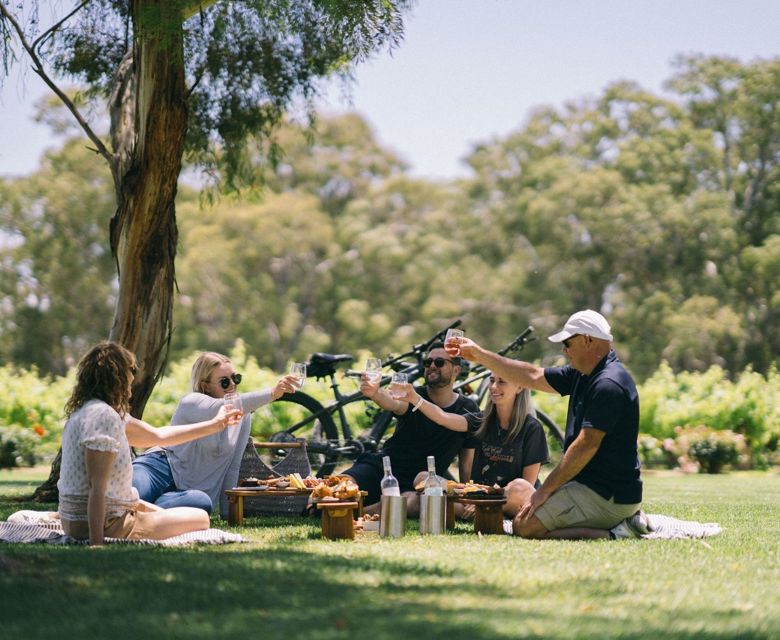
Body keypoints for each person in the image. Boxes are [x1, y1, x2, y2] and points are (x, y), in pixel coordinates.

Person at [456, 310, 649, 540]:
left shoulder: (609, 384)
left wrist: (544, 491)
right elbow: (532, 375)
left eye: (567, 343)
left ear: (588, 340)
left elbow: (585, 446)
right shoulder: (584, 373)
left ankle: (615, 532)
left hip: (607, 495)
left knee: (524, 526)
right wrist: (480, 356)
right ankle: (624, 521)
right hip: (593, 488)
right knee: (524, 514)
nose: (564, 350)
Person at [57, 342, 242, 545]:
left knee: (177, 510)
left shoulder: (88, 412)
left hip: (80, 519)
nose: (132, 378)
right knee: (200, 518)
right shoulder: (104, 416)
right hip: (109, 523)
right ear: (116, 376)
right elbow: (96, 486)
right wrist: (97, 543)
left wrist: (215, 425)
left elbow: (159, 436)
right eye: (131, 370)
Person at [132, 352, 299, 519]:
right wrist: (273, 393)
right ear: (205, 386)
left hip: (185, 492)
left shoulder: (244, 417)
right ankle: (137, 511)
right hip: (158, 468)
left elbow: (232, 467)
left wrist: (229, 515)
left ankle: (141, 513)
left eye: (236, 378)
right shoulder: (192, 402)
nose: (233, 384)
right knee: (128, 495)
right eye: (225, 382)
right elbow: (221, 407)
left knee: (202, 503)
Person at [343, 344, 481, 513]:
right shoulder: (414, 395)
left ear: (456, 370)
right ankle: (324, 506)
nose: (431, 366)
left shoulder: (468, 408)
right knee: (342, 483)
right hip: (383, 469)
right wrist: (375, 393)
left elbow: (466, 463)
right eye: (427, 362)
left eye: (439, 362)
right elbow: (394, 403)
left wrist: (468, 497)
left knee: (413, 502)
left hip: (418, 483)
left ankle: (354, 513)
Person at [460, 372, 549, 520]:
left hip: (513, 501)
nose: (493, 387)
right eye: (492, 381)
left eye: (501, 382)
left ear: (520, 387)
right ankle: (483, 510)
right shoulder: (480, 421)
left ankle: (485, 509)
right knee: (424, 479)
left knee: (518, 486)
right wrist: (417, 400)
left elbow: (527, 486)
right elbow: (445, 419)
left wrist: (487, 499)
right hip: (478, 499)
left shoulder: (532, 428)